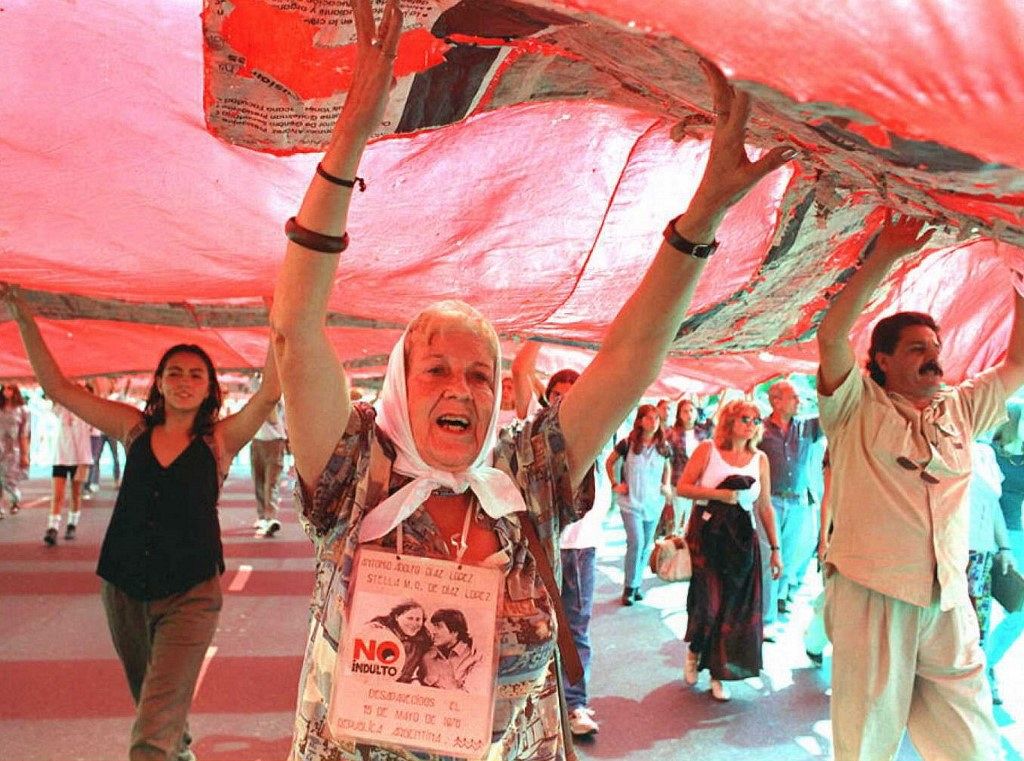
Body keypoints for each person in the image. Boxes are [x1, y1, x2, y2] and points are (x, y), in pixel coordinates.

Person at [269, 1, 794, 756]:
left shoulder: (529, 474)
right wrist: (350, 139)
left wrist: (702, 216)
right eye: (438, 369)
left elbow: (626, 361)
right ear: (398, 386)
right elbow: (294, 328)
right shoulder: (356, 471)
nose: (464, 388)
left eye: (481, 375)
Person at [3, 286, 280, 761]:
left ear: (210, 388)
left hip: (191, 594)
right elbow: (58, 388)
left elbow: (272, 389)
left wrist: (282, 319)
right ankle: (182, 750)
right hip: (124, 588)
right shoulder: (132, 429)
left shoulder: (220, 440)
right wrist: (24, 318)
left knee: (150, 740)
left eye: (197, 374)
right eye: (175, 372)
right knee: (154, 705)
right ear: (160, 383)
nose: (185, 380)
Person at [815, 212, 1024, 761]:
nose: (934, 356)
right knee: (864, 745)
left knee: (973, 745)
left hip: (948, 599)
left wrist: (1020, 274)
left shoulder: (960, 408)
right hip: (872, 594)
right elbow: (832, 335)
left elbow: (1019, 360)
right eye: (916, 348)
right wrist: (887, 253)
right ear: (881, 360)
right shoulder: (853, 406)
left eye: (935, 346)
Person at [676, 400, 782, 702]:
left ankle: (719, 673)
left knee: (734, 610)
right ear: (730, 422)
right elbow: (683, 487)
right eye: (745, 418)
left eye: (756, 419)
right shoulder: (708, 450)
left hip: (741, 541)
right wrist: (720, 494)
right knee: (708, 605)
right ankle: (695, 650)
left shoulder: (759, 459)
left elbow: (765, 505)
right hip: (708, 536)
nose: (751, 424)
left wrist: (776, 549)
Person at [757, 380, 823, 620]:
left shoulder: (807, 427)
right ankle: (767, 616)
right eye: (794, 397)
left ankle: (779, 597)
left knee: (790, 556)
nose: (799, 401)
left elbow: (833, 411)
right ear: (776, 401)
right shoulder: (760, 430)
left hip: (797, 503)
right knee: (770, 556)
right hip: (769, 501)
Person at [606, 404, 672, 605]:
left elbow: (667, 467)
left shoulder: (662, 446)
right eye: (649, 418)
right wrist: (616, 484)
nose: (653, 422)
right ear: (640, 420)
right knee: (636, 541)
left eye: (657, 418)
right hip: (630, 503)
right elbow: (610, 462)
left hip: (653, 503)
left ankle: (636, 584)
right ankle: (629, 587)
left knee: (645, 546)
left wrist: (666, 485)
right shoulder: (628, 443)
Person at [965, 440, 1016, 705]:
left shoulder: (985, 453)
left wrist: (1005, 546)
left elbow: (994, 504)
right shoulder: (940, 443)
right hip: (947, 553)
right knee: (943, 624)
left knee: (977, 625)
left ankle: (977, 683)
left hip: (981, 556)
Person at [987, 405, 1024, 703]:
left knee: (1019, 610)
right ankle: (981, 670)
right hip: (984, 537)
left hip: (1013, 537)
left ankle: (985, 662)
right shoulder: (987, 452)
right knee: (979, 607)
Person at [45, 397, 94, 543]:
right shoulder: (61, 407)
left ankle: (72, 524)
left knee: (75, 494)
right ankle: (52, 528)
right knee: (57, 494)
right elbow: (51, 394)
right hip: (61, 457)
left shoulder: (88, 413)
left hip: (81, 459)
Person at [664, 398, 712, 537]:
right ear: (679, 414)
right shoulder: (672, 433)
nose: (689, 414)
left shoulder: (702, 433)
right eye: (685, 411)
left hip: (700, 483)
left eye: (691, 410)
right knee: (679, 519)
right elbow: (667, 458)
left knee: (696, 519)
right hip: (679, 481)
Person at [368, 600, 433, 683]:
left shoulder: (423, 642)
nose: (414, 623)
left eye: (418, 619)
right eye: (410, 618)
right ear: (397, 617)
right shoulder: (380, 632)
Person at [418, 609, 482, 691]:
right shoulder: (427, 657)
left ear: (455, 632)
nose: (433, 631)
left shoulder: (473, 657)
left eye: (439, 626)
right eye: (433, 626)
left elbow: (472, 696)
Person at [250, 397, 287, 537]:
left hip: (274, 442)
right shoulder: (257, 389)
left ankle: (270, 518)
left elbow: (272, 419)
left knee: (270, 483)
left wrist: (263, 401)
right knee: (258, 481)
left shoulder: (276, 395)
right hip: (256, 441)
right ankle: (262, 517)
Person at [0, 384, 31, 516]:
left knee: (10, 480)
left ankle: (15, 500)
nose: (7, 391)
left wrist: (25, 455)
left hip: (13, 450)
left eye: (10, 388)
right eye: (4, 388)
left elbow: (24, 434)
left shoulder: (23, 410)